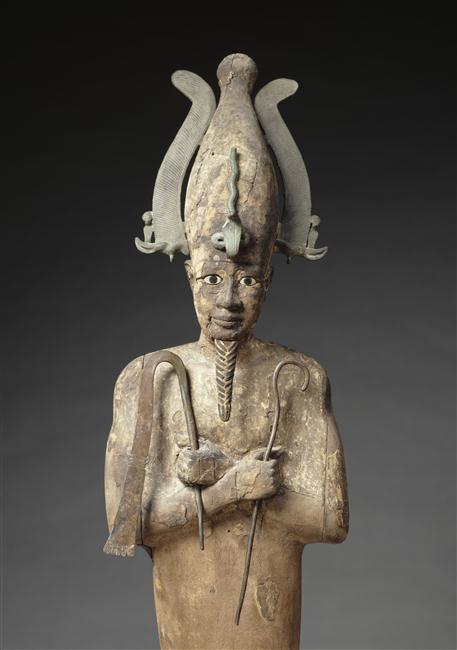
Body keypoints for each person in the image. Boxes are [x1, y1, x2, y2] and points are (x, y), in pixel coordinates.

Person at [104, 53, 348, 650]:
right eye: (212, 278)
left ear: (269, 280)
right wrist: (231, 487)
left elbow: (330, 518)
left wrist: (218, 485)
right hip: (185, 603)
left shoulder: (299, 377)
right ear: (189, 275)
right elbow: (127, 524)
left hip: (268, 597)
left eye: (249, 279)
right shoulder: (149, 377)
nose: (230, 300)